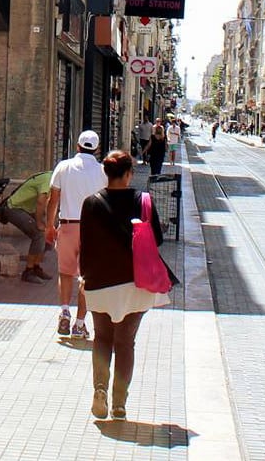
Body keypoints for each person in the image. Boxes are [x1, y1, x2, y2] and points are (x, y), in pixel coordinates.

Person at [80, 150, 173, 420]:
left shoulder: (91, 203)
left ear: (105, 173)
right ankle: (119, 402)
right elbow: (157, 239)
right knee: (125, 343)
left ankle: (100, 389)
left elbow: (85, 246)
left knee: (102, 337)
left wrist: (84, 276)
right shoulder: (143, 201)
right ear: (130, 173)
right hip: (136, 282)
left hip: (99, 281)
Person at [46, 130, 107, 338]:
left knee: (65, 273)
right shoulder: (102, 172)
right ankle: (79, 324)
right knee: (86, 278)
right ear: (97, 149)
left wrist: (49, 226)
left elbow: (53, 199)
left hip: (67, 226)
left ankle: (64, 312)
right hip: (92, 230)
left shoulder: (64, 167)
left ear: (78, 146)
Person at [5, 170, 52, 284]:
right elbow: (41, 202)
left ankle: (36, 267)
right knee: (38, 234)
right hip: (15, 208)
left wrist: (49, 225)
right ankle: (28, 271)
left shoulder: (53, 179)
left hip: (27, 209)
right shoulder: (48, 179)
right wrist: (39, 222)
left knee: (46, 235)